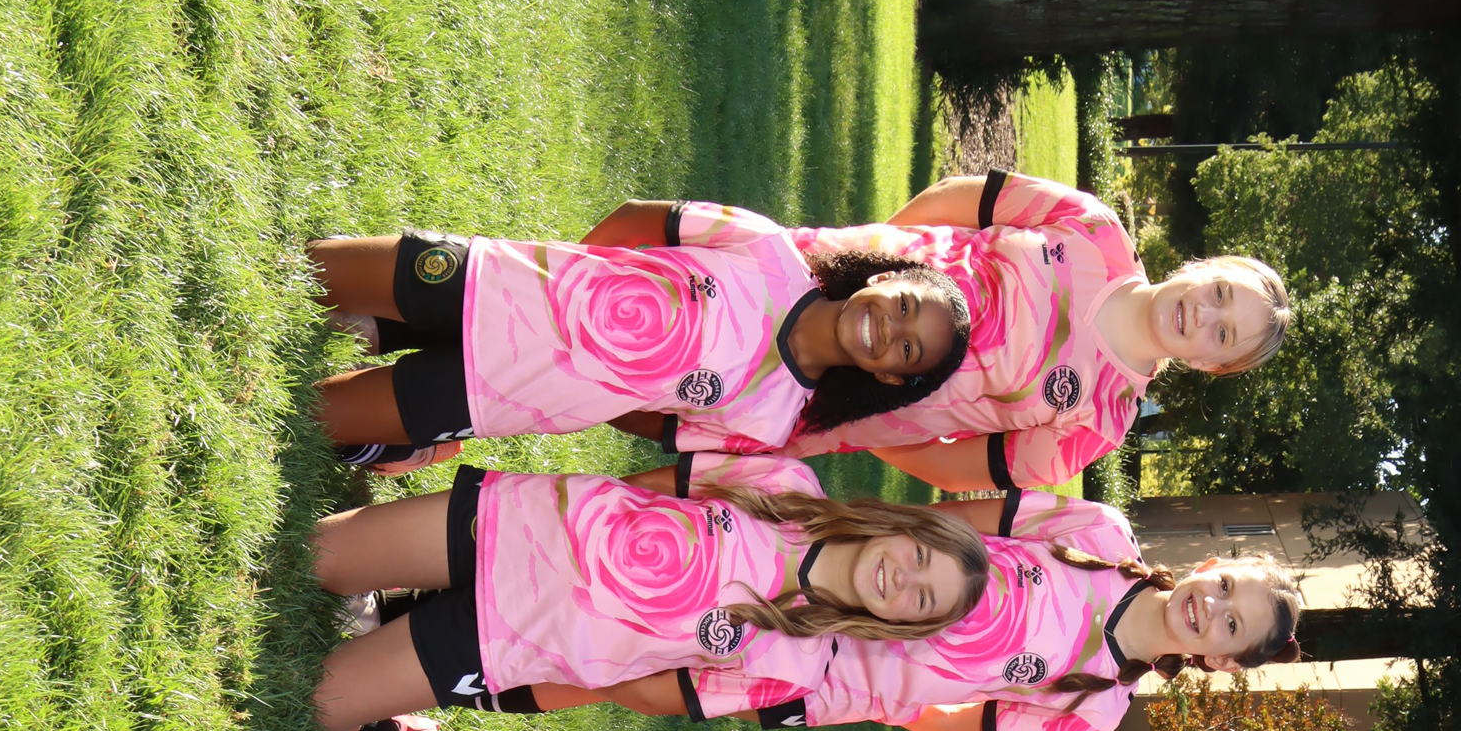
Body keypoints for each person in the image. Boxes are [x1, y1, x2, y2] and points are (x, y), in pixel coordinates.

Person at [309, 457, 1297, 731]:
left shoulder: (1097, 705)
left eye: (1231, 625)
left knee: (621, 664)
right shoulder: (1099, 537)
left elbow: (958, 723)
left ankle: (450, 671)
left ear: (1220, 660)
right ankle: (415, 595)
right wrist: (886, 547)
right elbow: (962, 522)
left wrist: (872, 692)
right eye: (1226, 587)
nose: (1212, 608)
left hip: (820, 662)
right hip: (845, 563)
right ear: (1211, 566)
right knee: (632, 567)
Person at [680, 171, 1290, 496]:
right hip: (817, 282)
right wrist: (871, 260)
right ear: (1202, 268)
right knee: (678, 286)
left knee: (678, 404)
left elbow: (955, 471)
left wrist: (867, 423)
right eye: (1219, 293)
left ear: (1212, 366)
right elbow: (963, 199)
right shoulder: (1096, 231)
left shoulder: (1099, 423)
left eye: (1223, 335)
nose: (1204, 315)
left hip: (817, 404)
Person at [308, 457, 987, 731]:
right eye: (919, 557)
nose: (904, 580)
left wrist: (585, 649)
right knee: (314, 557)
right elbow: (656, 485)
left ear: (898, 625)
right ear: (902, 525)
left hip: (512, 639)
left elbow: (655, 692)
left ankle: (383, 719)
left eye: (922, 600)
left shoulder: (795, 665)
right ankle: (378, 605)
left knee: (320, 706)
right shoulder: (789, 484)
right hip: (516, 528)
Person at [306, 218, 971, 469]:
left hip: (502, 395)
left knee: (307, 416)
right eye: (905, 306)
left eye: (907, 350)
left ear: (889, 378)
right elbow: (638, 221)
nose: (891, 329)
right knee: (306, 272)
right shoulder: (768, 249)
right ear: (885, 278)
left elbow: (655, 422)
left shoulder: (769, 420)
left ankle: (401, 439)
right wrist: (570, 290)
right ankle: (398, 333)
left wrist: (592, 386)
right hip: (496, 279)